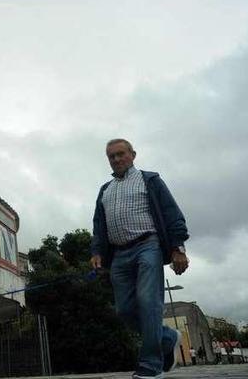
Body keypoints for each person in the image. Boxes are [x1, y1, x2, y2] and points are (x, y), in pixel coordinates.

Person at [90, 139, 190, 379]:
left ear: (133, 155)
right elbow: (98, 226)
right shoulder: (105, 190)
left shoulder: (150, 180)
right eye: (111, 156)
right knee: (124, 310)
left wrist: (178, 248)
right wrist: (97, 253)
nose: (116, 159)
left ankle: (151, 366)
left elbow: (172, 213)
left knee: (148, 302)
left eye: (120, 154)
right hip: (119, 255)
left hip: (148, 246)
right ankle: (167, 338)